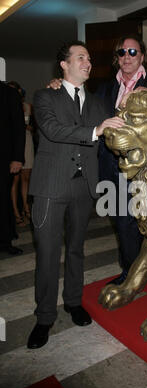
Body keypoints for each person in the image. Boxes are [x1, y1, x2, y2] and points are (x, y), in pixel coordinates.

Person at [48, 34, 147, 286]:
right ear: (116, 58)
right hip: (113, 167)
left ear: (142, 56)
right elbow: (80, 110)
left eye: (133, 52)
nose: (127, 57)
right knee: (123, 222)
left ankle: (145, 266)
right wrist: (59, 85)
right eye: (122, 52)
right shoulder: (105, 89)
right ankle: (131, 272)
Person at [27, 41, 124, 349]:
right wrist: (96, 131)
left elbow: (112, 133)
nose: (88, 62)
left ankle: (73, 301)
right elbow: (54, 130)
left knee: (76, 250)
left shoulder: (97, 102)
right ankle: (44, 317)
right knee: (47, 253)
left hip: (84, 187)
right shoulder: (44, 96)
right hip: (50, 187)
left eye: (90, 58)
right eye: (80, 57)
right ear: (64, 65)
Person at [0, 81, 25, 255]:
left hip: (4, 159)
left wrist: (17, 158)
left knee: (3, 200)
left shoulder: (9, 94)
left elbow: (19, 128)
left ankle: (4, 241)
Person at [8, 81, 35, 226]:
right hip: (13, 144)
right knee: (15, 180)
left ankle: (26, 208)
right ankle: (15, 212)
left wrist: (28, 127)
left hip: (27, 141)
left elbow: (34, 127)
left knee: (26, 178)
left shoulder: (27, 107)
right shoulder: (6, 107)